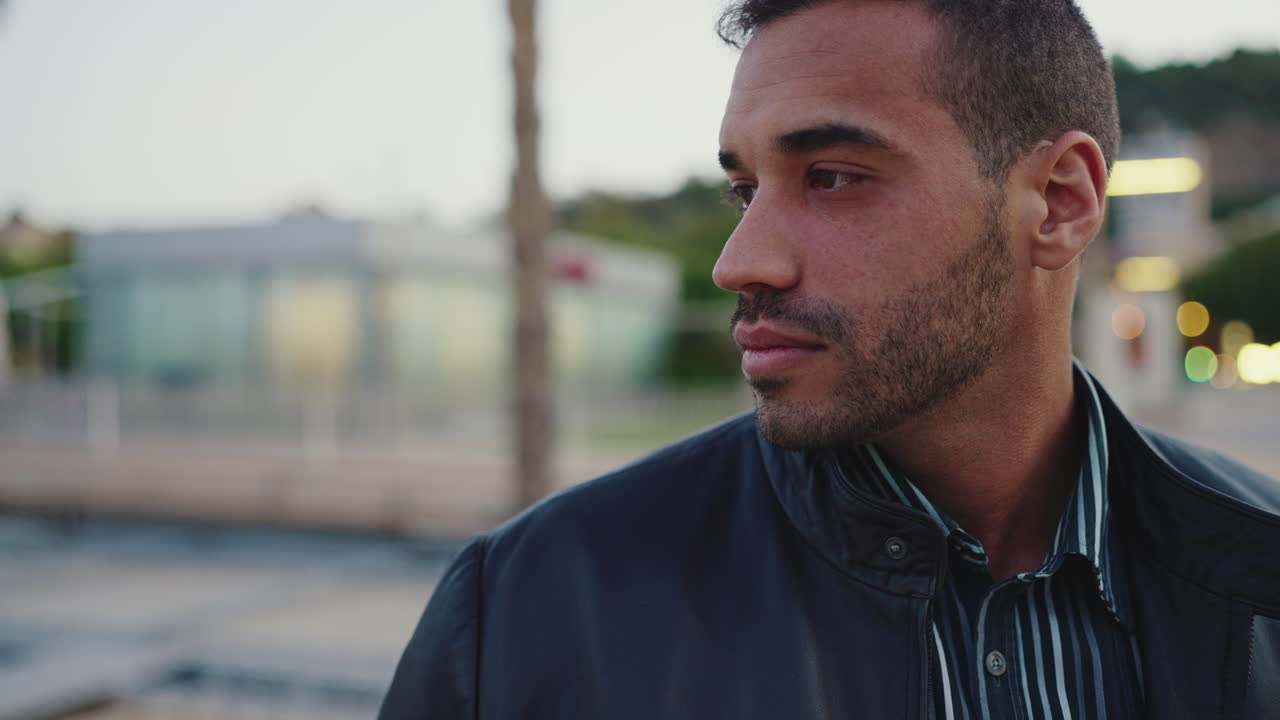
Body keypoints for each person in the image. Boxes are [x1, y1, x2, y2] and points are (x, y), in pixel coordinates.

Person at [380, 1, 1280, 717]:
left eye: (832, 177)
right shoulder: (526, 613)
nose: (740, 261)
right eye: (745, 188)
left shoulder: (1259, 571)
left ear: (1057, 202)